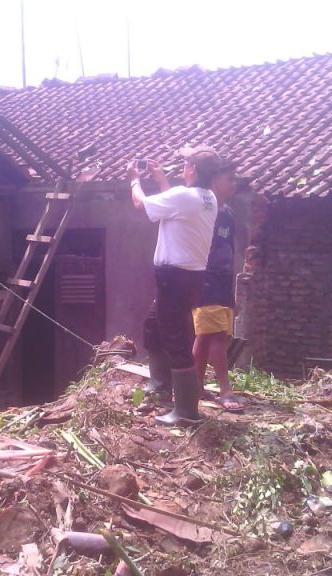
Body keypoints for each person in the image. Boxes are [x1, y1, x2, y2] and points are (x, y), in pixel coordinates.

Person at [129, 145, 220, 425]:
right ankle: (160, 382)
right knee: (154, 325)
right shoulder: (207, 198)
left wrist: (134, 180)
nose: (182, 167)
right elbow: (174, 206)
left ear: (192, 169)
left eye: (185, 163)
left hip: (175, 277)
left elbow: (141, 204)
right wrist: (160, 181)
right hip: (187, 276)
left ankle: (186, 412)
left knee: (177, 339)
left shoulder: (185, 197)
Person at [192, 160, 242, 412]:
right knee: (216, 336)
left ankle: (196, 385)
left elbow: (229, 248)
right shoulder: (202, 209)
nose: (234, 183)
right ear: (214, 180)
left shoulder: (229, 213)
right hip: (205, 275)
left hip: (223, 277)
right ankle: (224, 388)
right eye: (229, 178)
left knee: (206, 335)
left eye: (235, 178)